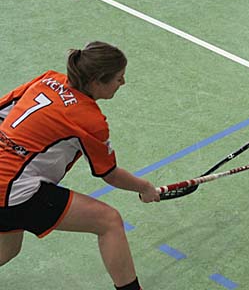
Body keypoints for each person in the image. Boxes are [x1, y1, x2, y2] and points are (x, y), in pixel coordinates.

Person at [0, 41, 160, 290]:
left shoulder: (47, 79)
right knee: (108, 221)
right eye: (118, 78)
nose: (123, 82)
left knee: (7, 250)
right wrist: (145, 187)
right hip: (14, 191)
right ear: (96, 81)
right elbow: (109, 174)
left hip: (6, 183)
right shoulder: (89, 119)